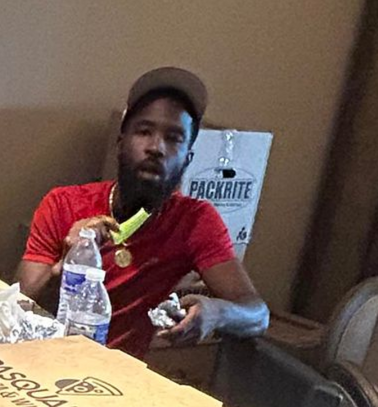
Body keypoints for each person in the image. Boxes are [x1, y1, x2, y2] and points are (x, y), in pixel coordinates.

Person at [19, 67, 269, 356]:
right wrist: (69, 263)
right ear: (121, 141)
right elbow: (22, 304)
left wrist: (216, 312)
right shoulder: (62, 204)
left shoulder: (194, 221)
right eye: (144, 131)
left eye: (174, 137)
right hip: (39, 362)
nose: (156, 147)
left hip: (117, 379)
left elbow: (257, 314)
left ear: (188, 158)